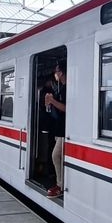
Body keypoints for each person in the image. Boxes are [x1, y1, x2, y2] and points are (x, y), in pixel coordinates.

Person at [44, 61, 66, 198]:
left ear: (61, 72)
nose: (55, 74)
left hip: (64, 130)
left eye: (56, 71)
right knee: (59, 157)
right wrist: (49, 102)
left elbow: (66, 108)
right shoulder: (61, 88)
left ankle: (60, 185)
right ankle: (61, 183)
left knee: (56, 156)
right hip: (59, 129)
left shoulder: (66, 88)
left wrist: (52, 101)